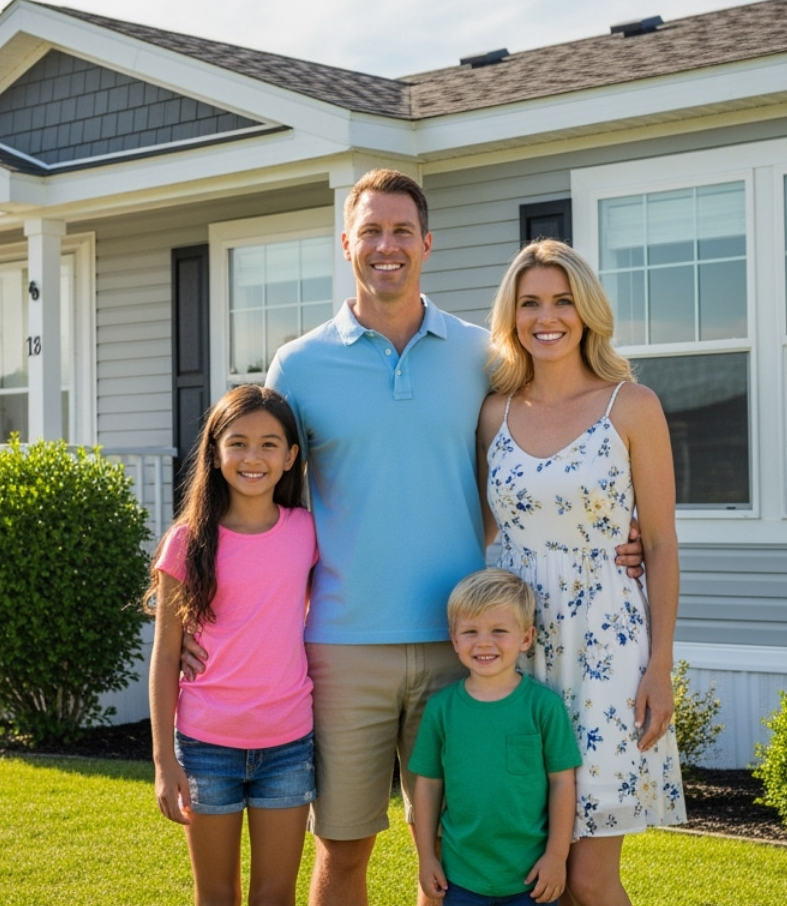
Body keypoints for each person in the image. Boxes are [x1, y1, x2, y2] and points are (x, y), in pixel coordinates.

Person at [191, 168, 638, 906]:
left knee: (461, 849)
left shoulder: (481, 357)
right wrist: (204, 605)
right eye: (371, 230)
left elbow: (541, 455)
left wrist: (619, 537)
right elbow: (259, 504)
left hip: (463, 646)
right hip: (340, 646)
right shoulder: (299, 366)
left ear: (427, 243)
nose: (386, 246)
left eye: (402, 230)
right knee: (344, 847)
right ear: (346, 244)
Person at [478, 239, 686, 906]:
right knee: (531, 868)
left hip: (606, 654)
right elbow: (484, 533)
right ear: (511, 316)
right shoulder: (492, 414)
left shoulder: (632, 405)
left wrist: (661, 665)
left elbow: (658, 543)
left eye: (563, 301)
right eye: (531, 302)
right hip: (514, 655)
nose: (548, 316)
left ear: (587, 311)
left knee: (591, 877)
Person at [148, 384, 318, 906]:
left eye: (270, 444)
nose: (253, 457)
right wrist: (163, 761)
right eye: (238, 443)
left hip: (287, 745)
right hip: (205, 747)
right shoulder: (188, 542)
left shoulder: (308, 531)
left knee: (275, 895)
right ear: (216, 452)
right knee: (216, 894)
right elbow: (165, 655)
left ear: (291, 457)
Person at [410, 569, 581, 906]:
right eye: (470, 631)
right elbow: (428, 786)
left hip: (532, 878)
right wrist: (427, 856)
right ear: (454, 639)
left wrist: (556, 857)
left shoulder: (544, 707)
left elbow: (562, 783)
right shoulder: (441, 709)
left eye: (499, 631)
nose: (484, 642)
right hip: (461, 878)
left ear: (526, 638)